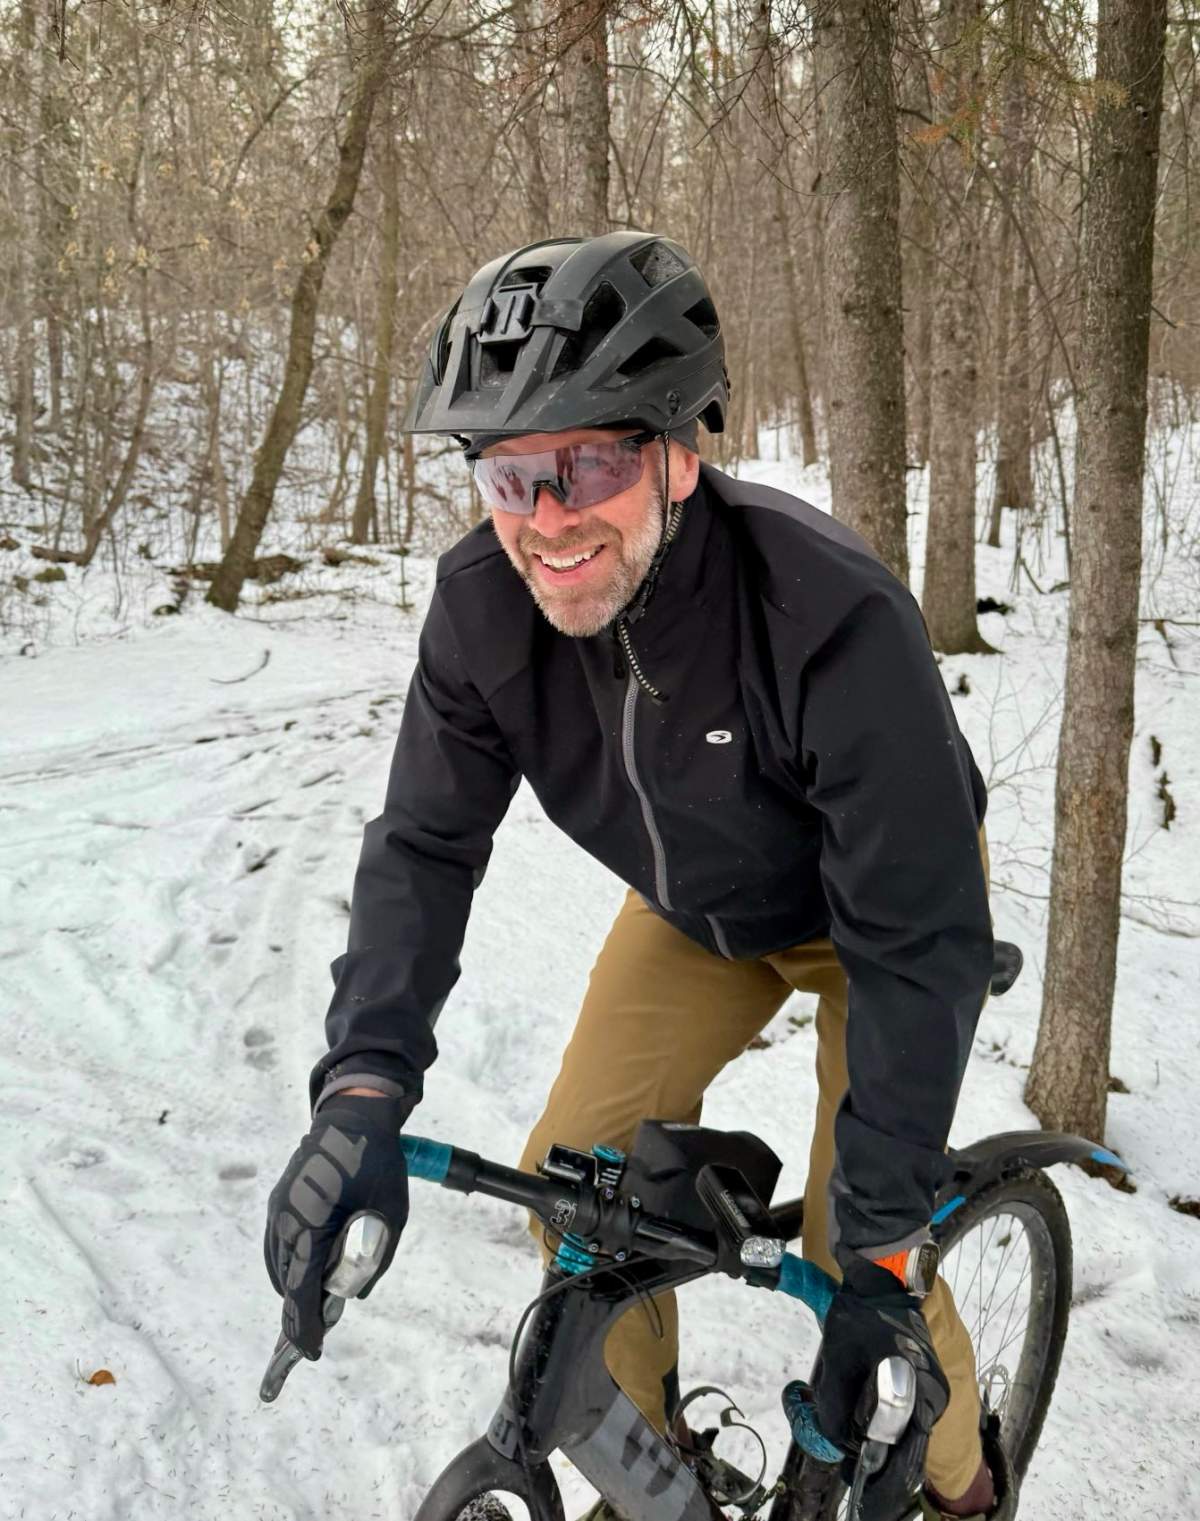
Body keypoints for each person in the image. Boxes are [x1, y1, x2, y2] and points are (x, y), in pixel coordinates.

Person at [264, 232, 1015, 1521]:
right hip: (695, 911)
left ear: (679, 453)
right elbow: (426, 845)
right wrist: (365, 1083)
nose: (548, 522)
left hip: (872, 914)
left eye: (589, 464)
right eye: (509, 477)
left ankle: (963, 1489)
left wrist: (882, 1249)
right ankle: (649, 1472)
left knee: (861, 1244)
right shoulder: (481, 613)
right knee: (574, 1184)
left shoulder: (832, 617)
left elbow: (915, 941)